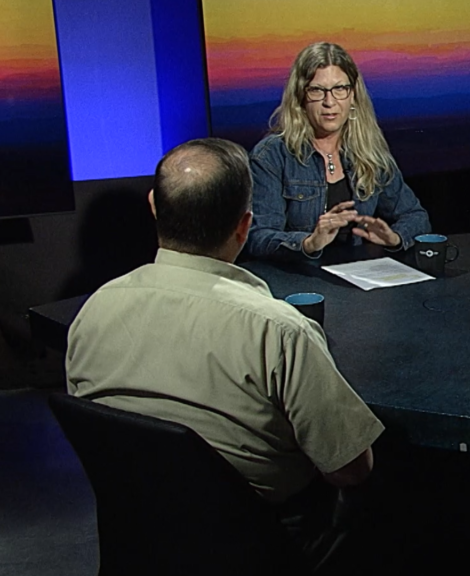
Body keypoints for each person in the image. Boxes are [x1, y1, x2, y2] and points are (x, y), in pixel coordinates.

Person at [65, 138, 384, 573]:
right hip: (259, 546)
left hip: (139, 542)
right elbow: (351, 469)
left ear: (155, 206)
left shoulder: (93, 313)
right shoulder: (279, 331)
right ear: (244, 226)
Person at [247, 41, 430, 260]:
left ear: (353, 95)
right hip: (300, 281)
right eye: (317, 90)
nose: (329, 102)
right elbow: (257, 238)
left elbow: (416, 217)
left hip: (360, 281)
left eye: (339, 89)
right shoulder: (271, 156)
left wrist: (395, 238)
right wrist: (309, 243)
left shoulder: (369, 151)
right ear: (301, 98)